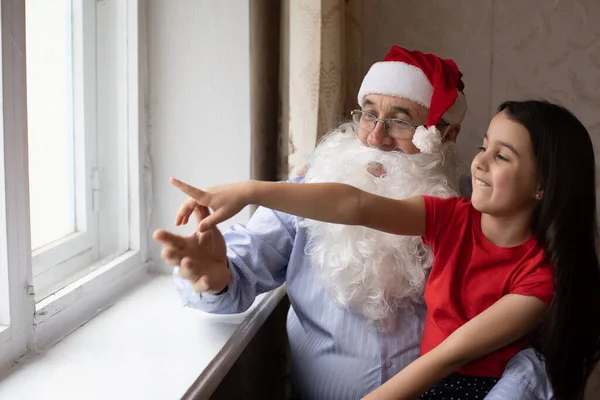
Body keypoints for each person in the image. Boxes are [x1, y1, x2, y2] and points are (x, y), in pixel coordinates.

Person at [154, 46, 554, 399]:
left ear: (446, 136)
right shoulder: (303, 196)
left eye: (401, 121)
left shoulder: (473, 213)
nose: (376, 137)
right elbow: (239, 271)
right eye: (368, 115)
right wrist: (211, 274)